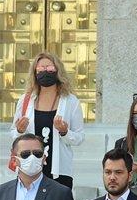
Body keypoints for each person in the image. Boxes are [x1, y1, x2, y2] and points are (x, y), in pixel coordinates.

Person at [9, 51, 85, 189]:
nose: (45, 72)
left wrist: (64, 132)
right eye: (40, 69)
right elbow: (14, 135)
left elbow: (79, 137)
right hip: (29, 168)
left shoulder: (70, 101)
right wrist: (20, 130)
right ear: (34, 73)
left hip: (59, 170)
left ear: (58, 71)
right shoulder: (26, 100)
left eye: (49, 69)